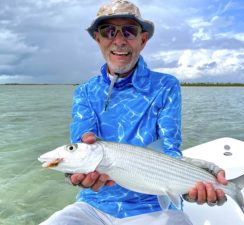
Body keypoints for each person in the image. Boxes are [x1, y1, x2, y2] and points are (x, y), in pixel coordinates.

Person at [40, 0, 227, 224]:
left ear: (143, 40)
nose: (119, 41)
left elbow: (168, 147)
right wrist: (74, 174)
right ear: (97, 39)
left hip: (154, 204)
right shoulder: (85, 92)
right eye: (108, 31)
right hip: (93, 204)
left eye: (129, 31)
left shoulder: (166, 86)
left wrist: (189, 178)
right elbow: (82, 146)